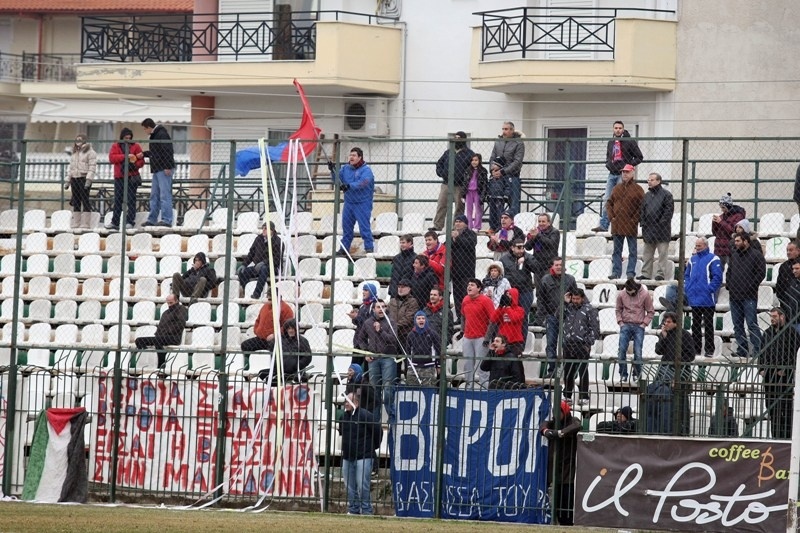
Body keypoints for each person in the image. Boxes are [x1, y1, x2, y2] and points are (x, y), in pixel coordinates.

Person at [594, 120, 644, 232]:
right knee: (607, 198)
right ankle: (604, 225)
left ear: (623, 129)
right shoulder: (611, 142)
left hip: (622, 174)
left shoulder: (629, 141)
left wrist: (628, 166)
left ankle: (619, 224)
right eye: (616, 128)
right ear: (613, 129)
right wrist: (608, 164)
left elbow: (639, 157)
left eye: (620, 128)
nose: (618, 130)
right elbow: (608, 156)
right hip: (612, 174)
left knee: (620, 198)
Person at [759, 307, 800, 439]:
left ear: (782, 317)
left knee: (786, 409)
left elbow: (795, 354)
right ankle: (775, 436)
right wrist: (761, 368)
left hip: (784, 377)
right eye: (771, 316)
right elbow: (762, 352)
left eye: (775, 316)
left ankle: (787, 437)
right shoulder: (767, 333)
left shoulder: (791, 333)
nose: (772, 319)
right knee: (772, 409)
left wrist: (786, 368)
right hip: (770, 377)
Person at [358, 301, 401, 425]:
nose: (381, 309)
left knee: (388, 388)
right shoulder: (367, 323)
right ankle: (374, 420)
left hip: (388, 357)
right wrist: (366, 352)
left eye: (383, 307)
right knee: (374, 390)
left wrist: (380, 330)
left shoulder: (391, 322)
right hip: (374, 359)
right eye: (378, 307)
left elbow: (393, 340)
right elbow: (360, 339)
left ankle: (391, 416)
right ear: (374, 309)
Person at [338, 392, 380, 516]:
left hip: (364, 455)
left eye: (348, 401)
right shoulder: (344, 417)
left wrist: (372, 447)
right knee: (349, 485)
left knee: (363, 485)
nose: (345, 403)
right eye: (345, 401)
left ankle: (366, 509)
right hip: (348, 456)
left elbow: (377, 432)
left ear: (355, 402)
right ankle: (354, 508)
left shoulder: (365, 415)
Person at [653, 311, 695, 435]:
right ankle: (664, 428)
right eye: (665, 321)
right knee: (663, 398)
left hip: (680, 372)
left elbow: (690, 355)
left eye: (669, 322)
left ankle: (683, 430)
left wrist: (677, 362)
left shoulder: (684, 335)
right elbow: (658, 351)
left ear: (676, 323)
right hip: (665, 370)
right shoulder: (665, 334)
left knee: (681, 402)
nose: (666, 324)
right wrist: (664, 337)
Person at [540, 400, 581, 526]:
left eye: (559, 412)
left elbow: (577, 426)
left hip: (568, 467)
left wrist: (560, 433)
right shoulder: (553, 422)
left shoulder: (572, 420)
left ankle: (567, 523)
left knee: (567, 499)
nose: (557, 415)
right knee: (555, 501)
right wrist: (547, 431)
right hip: (554, 467)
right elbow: (543, 426)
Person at [726, 233, 766, 358]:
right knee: (737, 325)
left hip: (749, 296)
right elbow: (729, 271)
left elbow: (761, 273)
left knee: (751, 324)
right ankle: (742, 349)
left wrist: (751, 286)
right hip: (734, 296)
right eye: (735, 241)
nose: (735, 243)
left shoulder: (756, 255)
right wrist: (729, 285)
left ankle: (758, 350)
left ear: (746, 241)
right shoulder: (734, 255)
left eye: (738, 241)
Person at [330, 147, 375, 255]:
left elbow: (364, 182)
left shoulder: (366, 170)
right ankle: (344, 248)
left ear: (360, 157)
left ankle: (369, 248)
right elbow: (337, 180)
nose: (351, 157)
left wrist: (349, 186)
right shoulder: (345, 168)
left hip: (363, 203)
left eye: (354, 155)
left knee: (364, 227)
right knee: (346, 227)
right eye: (350, 155)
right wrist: (332, 170)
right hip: (349, 202)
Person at [684, 237, 723, 357]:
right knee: (695, 325)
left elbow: (717, 277)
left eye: (699, 246)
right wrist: (688, 288)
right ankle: (696, 349)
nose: (697, 248)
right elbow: (687, 275)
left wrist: (709, 289)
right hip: (694, 298)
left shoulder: (713, 258)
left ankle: (709, 350)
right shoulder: (692, 259)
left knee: (708, 324)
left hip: (707, 299)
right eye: (696, 245)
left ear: (705, 246)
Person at [538, 258, 578, 376]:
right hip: (551, 317)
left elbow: (575, 297)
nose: (559, 267)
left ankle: (569, 371)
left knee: (568, 344)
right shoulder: (545, 279)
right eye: (556, 265)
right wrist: (543, 316)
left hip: (568, 317)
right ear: (552, 266)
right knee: (551, 344)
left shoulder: (570, 279)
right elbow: (541, 299)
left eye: (561, 265)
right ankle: (552, 371)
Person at [562, 289, 599, 406]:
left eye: (577, 299)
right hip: (568, 343)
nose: (575, 301)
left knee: (583, 369)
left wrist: (588, 343)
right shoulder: (568, 307)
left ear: (582, 298)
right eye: (573, 298)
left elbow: (595, 328)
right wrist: (565, 302)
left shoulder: (590, 309)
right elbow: (557, 316)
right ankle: (567, 395)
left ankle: (584, 396)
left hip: (582, 344)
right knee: (568, 370)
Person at [606, 164, 644, 279]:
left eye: (627, 172)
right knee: (616, 251)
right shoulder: (617, 188)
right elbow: (609, 203)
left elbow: (642, 207)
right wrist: (612, 217)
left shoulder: (638, 189)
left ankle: (630, 273)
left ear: (632, 173)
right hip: (617, 225)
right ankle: (616, 272)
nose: (624, 174)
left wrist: (634, 219)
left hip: (631, 225)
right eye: (623, 172)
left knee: (632, 251)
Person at [433, 131, 474, 231]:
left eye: (459, 138)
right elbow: (439, 164)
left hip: (460, 185)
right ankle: (437, 226)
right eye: (455, 137)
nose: (456, 140)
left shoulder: (469, 154)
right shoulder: (448, 152)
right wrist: (442, 173)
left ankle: (456, 228)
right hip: (446, 184)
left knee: (459, 207)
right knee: (441, 205)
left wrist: (465, 179)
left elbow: (472, 168)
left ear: (464, 140)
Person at [616, 278, 654, 381]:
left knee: (638, 352)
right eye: (628, 293)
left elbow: (650, 311)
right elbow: (618, 309)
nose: (629, 294)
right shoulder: (622, 294)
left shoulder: (645, 294)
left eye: (632, 293)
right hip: (625, 324)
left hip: (639, 326)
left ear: (636, 289)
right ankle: (623, 374)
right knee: (621, 351)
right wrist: (620, 322)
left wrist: (644, 324)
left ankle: (636, 373)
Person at [134, 293, 187, 367]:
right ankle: (147, 358)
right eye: (168, 303)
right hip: (161, 336)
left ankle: (161, 363)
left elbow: (180, 324)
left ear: (177, 301)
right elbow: (160, 327)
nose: (169, 305)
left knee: (158, 341)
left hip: (173, 337)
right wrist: (158, 334)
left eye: (171, 303)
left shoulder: (181, 309)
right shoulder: (165, 313)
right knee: (139, 341)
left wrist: (167, 331)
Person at [140, 118, 175, 227]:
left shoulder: (161, 134)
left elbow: (168, 150)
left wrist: (168, 166)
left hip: (163, 168)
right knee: (154, 195)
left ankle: (167, 219)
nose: (145, 131)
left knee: (164, 195)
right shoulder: (156, 135)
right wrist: (144, 154)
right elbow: (157, 151)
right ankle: (152, 219)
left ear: (149, 127)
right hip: (157, 168)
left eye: (145, 129)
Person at [107, 128, 144, 231]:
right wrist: (126, 156)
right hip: (119, 176)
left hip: (132, 176)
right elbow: (112, 158)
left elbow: (141, 161)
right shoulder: (116, 146)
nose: (128, 140)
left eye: (129, 138)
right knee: (118, 199)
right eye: (125, 138)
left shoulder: (136, 146)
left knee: (131, 199)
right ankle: (115, 222)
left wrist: (134, 164)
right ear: (122, 137)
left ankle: (130, 221)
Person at [460, 278, 495, 388]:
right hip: (468, 337)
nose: (469, 287)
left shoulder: (485, 301)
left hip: (481, 337)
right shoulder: (465, 300)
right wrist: (462, 330)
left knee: (481, 366)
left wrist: (487, 337)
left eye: (472, 285)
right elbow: (462, 316)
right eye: (468, 285)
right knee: (468, 364)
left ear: (479, 288)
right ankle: (469, 387)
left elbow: (493, 320)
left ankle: (485, 388)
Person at [639, 172, 674, 280]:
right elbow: (642, 211)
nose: (649, 181)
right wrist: (643, 224)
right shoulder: (647, 196)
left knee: (662, 254)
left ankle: (660, 274)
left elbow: (668, 212)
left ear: (659, 181)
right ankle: (645, 274)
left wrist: (660, 224)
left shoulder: (667, 195)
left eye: (652, 180)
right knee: (647, 255)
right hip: (648, 230)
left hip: (662, 231)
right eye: (648, 180)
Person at [237, 222, 284, 300]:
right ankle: (248, 291)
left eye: (266, 229)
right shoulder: (259, 239)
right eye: (263, 228)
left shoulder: (278, 241)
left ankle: (256, 294)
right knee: (242, 272)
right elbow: (251, 253)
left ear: (271, 230)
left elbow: (277, 259)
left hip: (273, 268)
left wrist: (264, 262)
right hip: (258, 267)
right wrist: (244, 264)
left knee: (264, 269)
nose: (263, 230)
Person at [500, 238, 536, 339]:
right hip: (510, 293)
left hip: (525, 292)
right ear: (512, 248)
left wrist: (527, 260)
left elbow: (537, 269)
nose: (521, 250)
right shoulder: (504, 259)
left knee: (523, 318)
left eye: (523, 247)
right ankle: (509, 342)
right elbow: (502, 275)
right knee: (508, 317)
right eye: (519, 247)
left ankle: (522, 344)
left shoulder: (528, 257)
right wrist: (516, 266)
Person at [489, 121, 525, 217]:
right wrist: (492, 170)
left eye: (506, 129)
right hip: (497, 177)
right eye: (503, 129)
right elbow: (492, 157)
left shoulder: (519, 143)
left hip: (512, 176)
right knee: (495, 201)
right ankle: (495, 226)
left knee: (513, 203)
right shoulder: (498, 142)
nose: (504, 131)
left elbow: (517, 161)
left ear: (512, 130)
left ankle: (514, 226)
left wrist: (503, 171)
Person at [66, 134, 97, 229]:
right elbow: (70, 167)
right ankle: (76, 222)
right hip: (74, 178)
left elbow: (92, 166)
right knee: (76, 200)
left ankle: (86, 223)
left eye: (80, 139)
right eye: (77, 139)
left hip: (84, 178)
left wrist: (89, 179)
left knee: (85, 199)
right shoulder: (74, 152)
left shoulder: (90, 152)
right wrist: (68, 180)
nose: (78, 141)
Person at [524, 213, 560, 292]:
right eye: (539, 221)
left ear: (549, 222)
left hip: (549, 265)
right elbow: (527, 247)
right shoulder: (536, 232)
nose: (541, 223)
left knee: (549, 291)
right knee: (539, 291)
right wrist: (532, 237)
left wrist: (538, 236)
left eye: (543, 221)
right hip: (538, 266)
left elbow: (551, 244)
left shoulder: (554, 232)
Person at [451, 214, 477, 321]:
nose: (457, 223)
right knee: (457, 296)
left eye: (460, 221)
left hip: (467, 271)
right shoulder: (452, 235)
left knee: (467, 295)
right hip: (455, 271)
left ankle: (468, 316)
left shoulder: (471, 234)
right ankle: (459, 316)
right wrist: (453, 239)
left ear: (466, 224)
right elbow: (445, 246)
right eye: (456, 221)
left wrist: (458, 237)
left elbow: (470, 244)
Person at [711, 193, 746, 269]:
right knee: (717, 271)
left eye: (723, 207)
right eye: (721, 207)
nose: (722, 210)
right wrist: (714, 223)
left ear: (728, 206)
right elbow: (715, 233)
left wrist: (721, 222)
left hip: (730, 249)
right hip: (719, 248)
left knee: (733, 270)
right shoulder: (722, 217)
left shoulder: (738, 216)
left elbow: (733, 231)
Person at [406, 311, 440, 386]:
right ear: (415, 320)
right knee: (413, 392)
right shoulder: (410, 335)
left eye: (423, 318)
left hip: (429, 366)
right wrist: (408, 366)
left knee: (428, 391)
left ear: (426, 320)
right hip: (414, 367)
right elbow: (407, 352)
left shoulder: (433, 334)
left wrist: (438, 366)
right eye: (418, 318)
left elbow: (438, 350)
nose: (421, 320)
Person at [350, 283, 380, 368]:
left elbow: (370, 323)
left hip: (368, 342)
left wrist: (357, 317)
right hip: (358, 341)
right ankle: (354, 380)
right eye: (363, 290)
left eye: (366, 290)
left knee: (368, 368)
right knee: (354, 366)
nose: (363, 292)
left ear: (371, 292)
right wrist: (354, 318)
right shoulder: (363, 306)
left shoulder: (375, 306)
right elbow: (358, 323)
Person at [489, 288, 525, 356]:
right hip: (502, 340)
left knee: (513, 361)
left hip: (515, 341)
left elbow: (514, 318)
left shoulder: (520, 310)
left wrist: (508, 307)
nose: (507, 296)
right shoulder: (503, 309)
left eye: (509, 294)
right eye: (506, 294)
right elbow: (493, 319)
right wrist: (500, 306)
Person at [386, 279, 418, 345]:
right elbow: (386, 315)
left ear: (409, 289)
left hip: (405, 334)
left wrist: (394, 327)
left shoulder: (413, 302)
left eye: (403, 287)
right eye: (399, 287)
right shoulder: (392, 301)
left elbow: (408, 318)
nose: (400, 289)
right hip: (391, 333)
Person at [462, 153, 488, 230]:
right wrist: (463, 195)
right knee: (469, 210)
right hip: (468, 192)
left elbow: (484, 184)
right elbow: (464, 182)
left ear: (479, 161)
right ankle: (469, 226)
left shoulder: (483, 171)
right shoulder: (467, 170)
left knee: (478, 209)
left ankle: (477, 226)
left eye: (476, 160)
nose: (474, 162)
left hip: (477, 191)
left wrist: (483, 195)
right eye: (472, 160)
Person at [485, 157, 511, 232]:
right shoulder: (491, 176)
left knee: (499, 213)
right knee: (492, 213)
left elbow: (507, 186)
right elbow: (488, 186)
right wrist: (488, 194)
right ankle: (492, 227)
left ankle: (499, 227)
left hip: (500, 197)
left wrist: (506, 195)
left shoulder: (504, 176)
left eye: (494, 164)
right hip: (492, 197)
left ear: (499, 165)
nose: (492, 165)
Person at [388, 234, 416, 298]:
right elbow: (393, 276)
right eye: (400, 243)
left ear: (410, 243)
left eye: (403, 243)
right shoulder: (396, 258)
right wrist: (391, 290)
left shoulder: (415, 258)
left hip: (408, 293)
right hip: (395, 291)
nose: (401, 245)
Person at [775, 240, 800, 308]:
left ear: (798, 251)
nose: (788, 252)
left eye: (791, 250)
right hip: (785, 302)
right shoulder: (784, 266)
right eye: (787, 250)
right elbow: (779, 284)